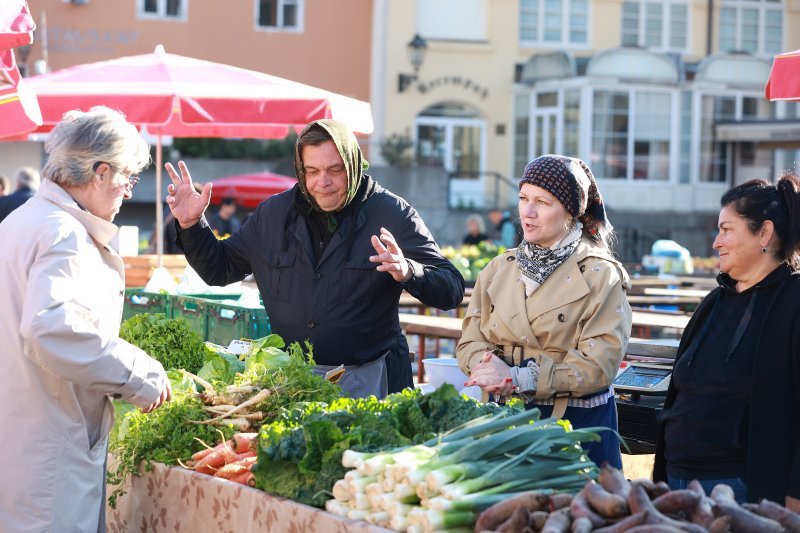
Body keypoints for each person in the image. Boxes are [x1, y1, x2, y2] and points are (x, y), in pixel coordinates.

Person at [165, 119, 464, 397]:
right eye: (312, 171)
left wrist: (408, 271)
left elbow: (450, 288)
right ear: (300, 169)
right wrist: (192, 226)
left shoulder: (393, 213)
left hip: (371, 379)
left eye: (335, 170)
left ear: (353, 164)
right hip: (296, 382)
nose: (323, 182)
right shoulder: (272, 215)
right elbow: (220, 269)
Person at [0, 106, 172, 532]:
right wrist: (138, 373)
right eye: (128, 178)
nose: (129, 191)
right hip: (48, 448)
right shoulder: (63, 232)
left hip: (26, 437)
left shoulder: (21, 221)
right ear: (99, 172)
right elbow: (50, 328)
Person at [457, 155, 632, 468]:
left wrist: (518, 376)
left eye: (543, 202)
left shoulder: (600, 274)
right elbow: (470, 340)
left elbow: (598, 365)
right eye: (523, 198)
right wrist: (484, 367)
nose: (528, 211)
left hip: (576, 432)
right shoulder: (500, 268)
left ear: (570, 211)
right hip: (503, 427)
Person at [654, 175, 800, 507]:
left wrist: (796, 495)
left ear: (763, 233)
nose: (716, 242)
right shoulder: (714, 301)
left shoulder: (794, 302)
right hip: (679, 481)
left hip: (744, 491)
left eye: (727, 229)